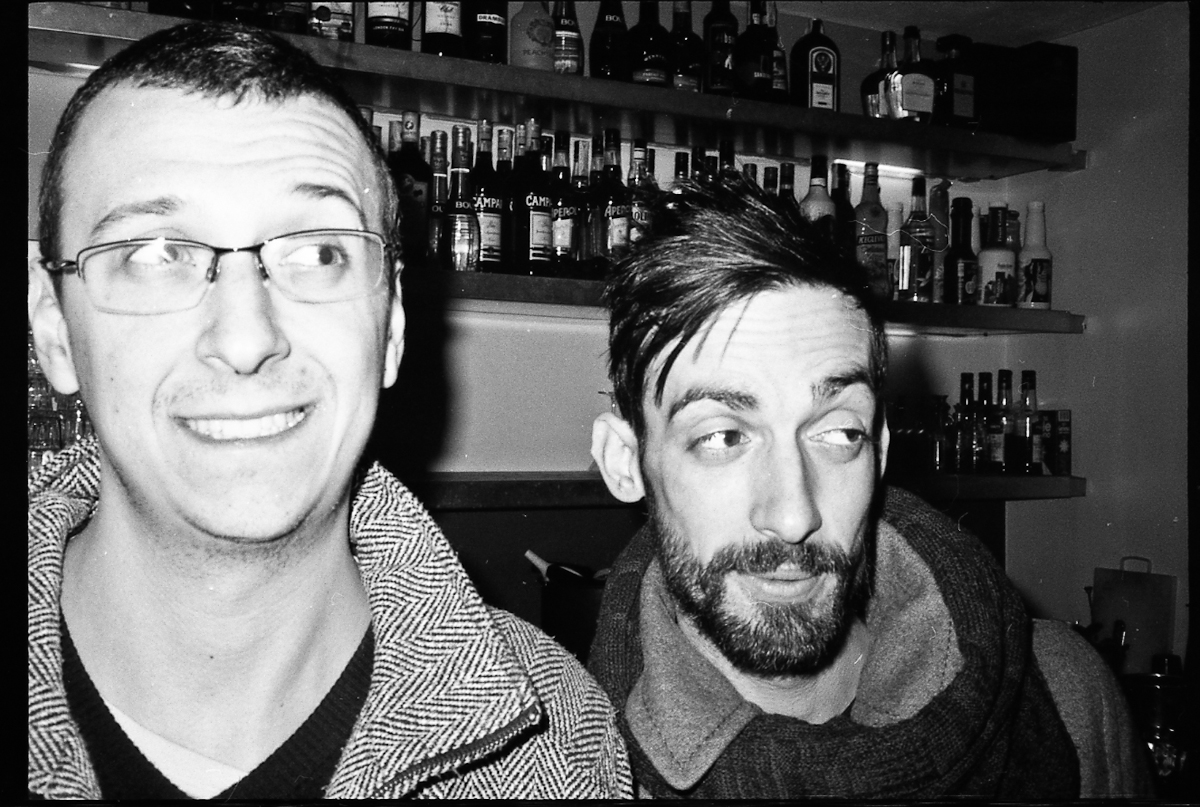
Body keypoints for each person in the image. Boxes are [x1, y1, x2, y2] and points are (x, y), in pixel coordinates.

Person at [27, 21, 630, 800]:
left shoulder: (563, 742)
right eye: (155, 254)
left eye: (317, 252)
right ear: (55, 329)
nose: (245, 338)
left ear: (393, 326)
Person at [586, 175, 1151, 798]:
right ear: (626, 462)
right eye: (722, 437)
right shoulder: (567, 765)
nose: (794, 516)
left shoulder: (1065, 695)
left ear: (879, 451)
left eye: (838, 434)